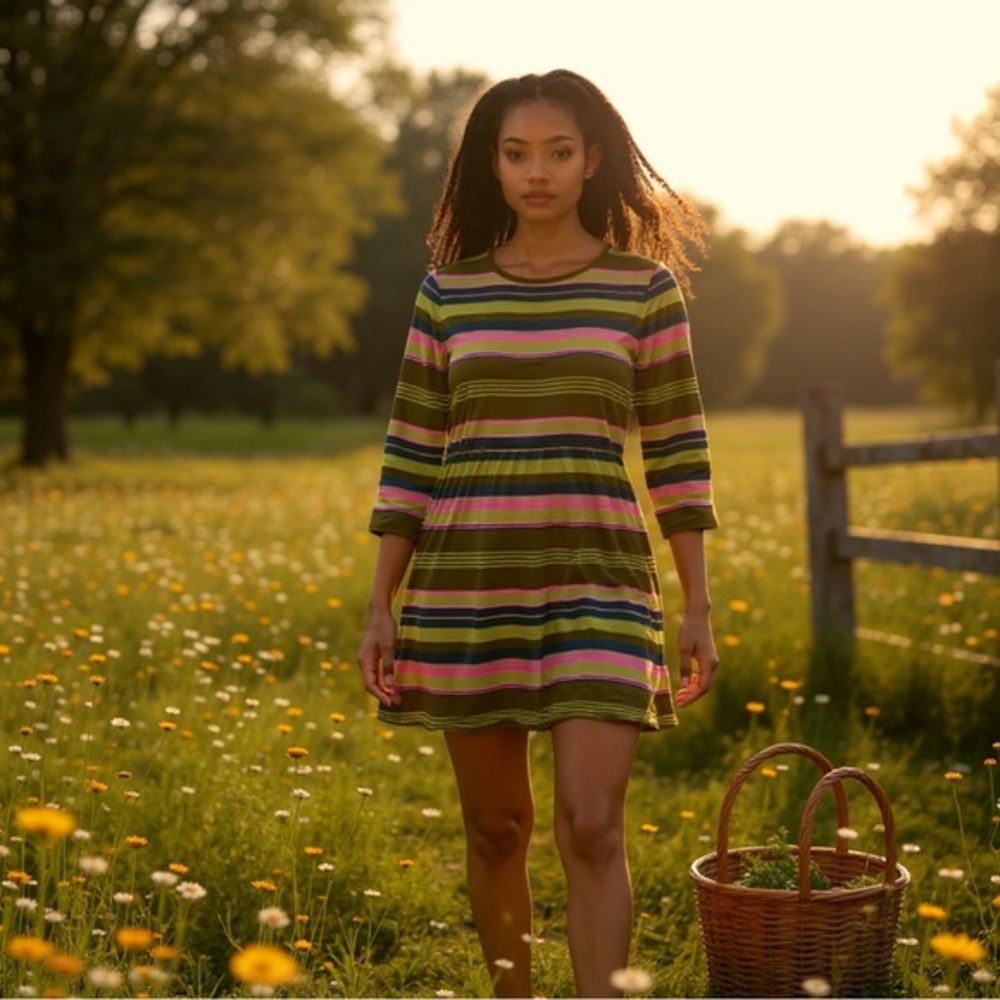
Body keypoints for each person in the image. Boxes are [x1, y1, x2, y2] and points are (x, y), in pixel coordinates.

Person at [358, 68, 719, 999]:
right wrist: (380, 604)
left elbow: (678, 455)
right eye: (516, 153)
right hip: (466, 585)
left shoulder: (643, 293)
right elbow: (410, 453)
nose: (538, 172)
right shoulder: (450, 294)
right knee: (497, 831)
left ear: (593, 160)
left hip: (601, 583)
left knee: (590, 825)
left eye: (559, 151)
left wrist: (697, 606)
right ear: (492, 164)